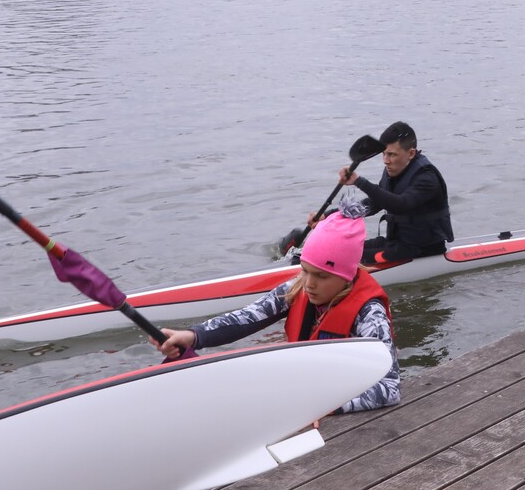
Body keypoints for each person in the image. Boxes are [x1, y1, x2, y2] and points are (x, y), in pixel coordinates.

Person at [155, 195, 400, 413]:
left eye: (321, 276)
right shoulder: (297, 287)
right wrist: (192, 336)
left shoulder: (370, 315)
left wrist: (320, 404)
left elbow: (389, 388)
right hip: (305, 392)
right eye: (305, 270)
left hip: (331, 408)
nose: (309, 284)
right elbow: (247, 317)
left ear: (346, 276)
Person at [338, 121, 453, 264]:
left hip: (422, 249)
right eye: (384, 154)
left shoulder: (427, 178)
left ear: (411, 153)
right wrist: (331, 216)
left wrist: (359, 181)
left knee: (345, 257)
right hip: (396, 244)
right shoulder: (392, 170)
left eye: (391, 154)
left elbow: (400, 205)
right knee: (340, 248)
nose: (386, 161)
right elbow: (373, 204)